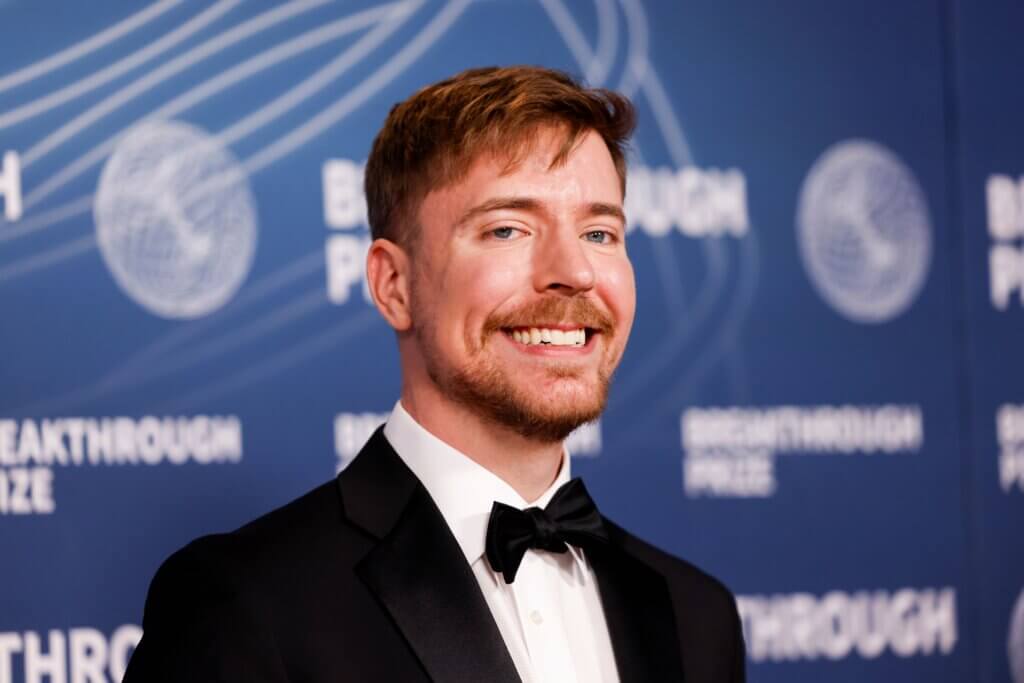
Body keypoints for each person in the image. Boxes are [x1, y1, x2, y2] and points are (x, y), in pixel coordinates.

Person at [124, 65, 745, 683]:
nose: (575, 272)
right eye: (508, 229)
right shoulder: (243, 606)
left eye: (599, 233)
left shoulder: (696, 616)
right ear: (395, 285)